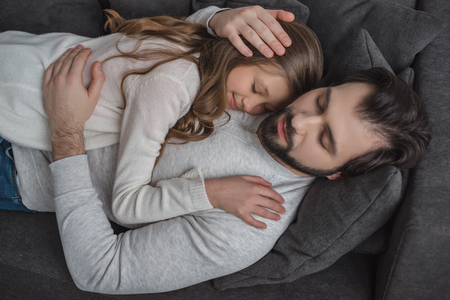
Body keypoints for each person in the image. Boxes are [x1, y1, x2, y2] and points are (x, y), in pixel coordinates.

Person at [5, 43, 429, 294]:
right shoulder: (279, 79)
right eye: (322, 102)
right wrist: (221, 18)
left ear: (338, 173)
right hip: (30, 71)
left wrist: (66, 133)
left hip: (16, 163)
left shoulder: (248, 223)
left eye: (325, 139)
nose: (299, 120)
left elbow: (100, 271)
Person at [0, 7, 323, 228]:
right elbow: (125, 203)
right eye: (256, 88)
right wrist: (211, 193)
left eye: (265, 109)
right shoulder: (171, 85)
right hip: (10, 121)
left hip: (19, 54)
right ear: (240, 48)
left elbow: (201, 23)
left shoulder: (191, 41)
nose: (248, 107)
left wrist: (215, 17)